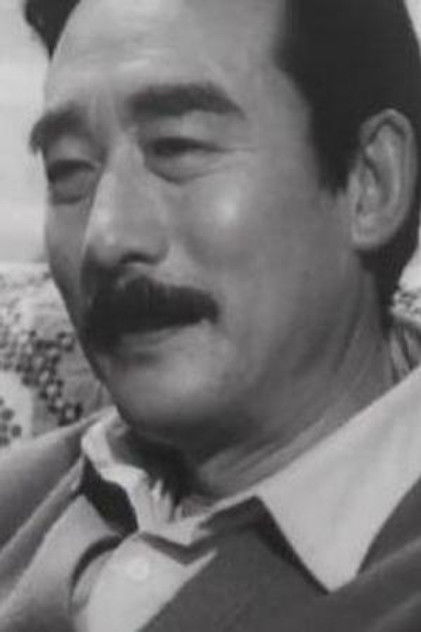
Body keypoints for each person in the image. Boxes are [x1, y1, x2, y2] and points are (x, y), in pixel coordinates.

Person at [1, 0, 421, 629]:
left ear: (371, 181)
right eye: (68, 170)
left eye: (176, 147)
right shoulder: (24, 498)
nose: (105, 236)